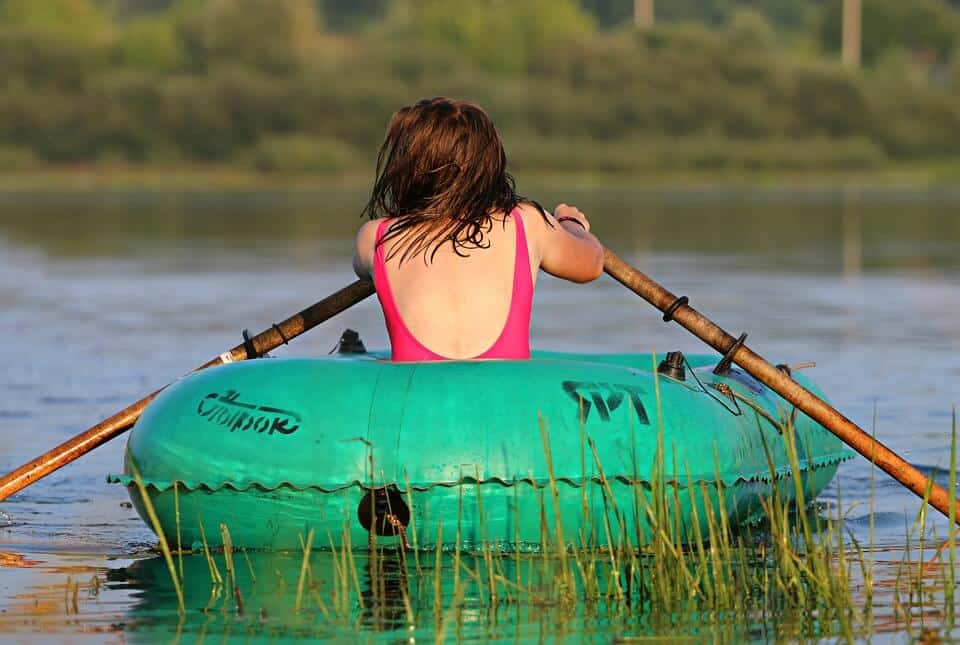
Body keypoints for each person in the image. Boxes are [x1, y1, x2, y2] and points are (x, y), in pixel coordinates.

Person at [353, 97, 604, 361]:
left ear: (406, 168)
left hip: (416, 398)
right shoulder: (526, 223)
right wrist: (570, 224)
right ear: (491, 164)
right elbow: (592, 264)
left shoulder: (376, 237)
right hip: (507, 398)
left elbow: (363, 269)